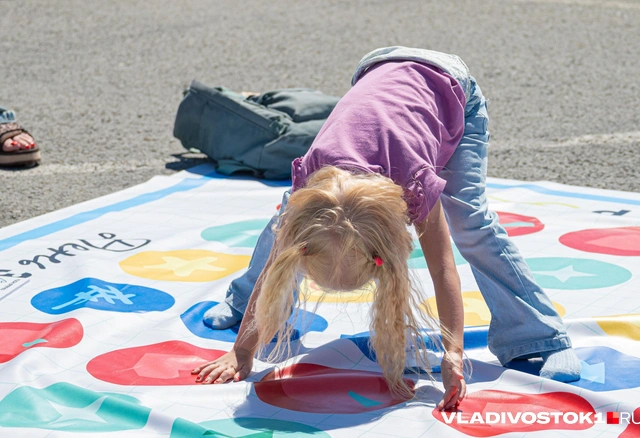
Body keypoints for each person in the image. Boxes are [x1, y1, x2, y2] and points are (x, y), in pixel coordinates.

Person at [192, 47, 581, 410]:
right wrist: (243, 351)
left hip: (451, 91)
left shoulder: (414, 187)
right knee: (283, 223)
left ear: (386, 258)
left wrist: (453, 352)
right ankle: (249, 301)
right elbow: (281, 258)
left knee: (472, 225)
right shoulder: (312, 188)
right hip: (376, 70)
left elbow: (443, 268)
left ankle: (538, 335)